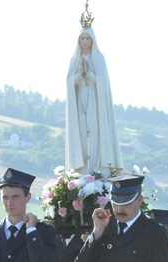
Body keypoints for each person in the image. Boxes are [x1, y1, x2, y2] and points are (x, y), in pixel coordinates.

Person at [65, 22, 122, 174]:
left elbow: (103, 82)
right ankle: (83, 171)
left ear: (92, 40)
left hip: (96, 103)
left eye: (87, 39)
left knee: (96, 133)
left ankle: (97, 170)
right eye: (82, 38)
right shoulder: (74, 58)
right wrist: (80, 74)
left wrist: (88, 73)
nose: (84, 42)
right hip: (80, 102)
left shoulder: (99, 58)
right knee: (82, 134)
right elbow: (69, 82)